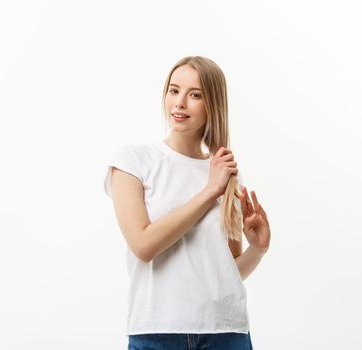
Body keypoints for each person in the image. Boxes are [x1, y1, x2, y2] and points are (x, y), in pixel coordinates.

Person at [103, 56, 271, 350]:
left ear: (212, 105)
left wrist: (258, 249)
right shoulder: (133, 161)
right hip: (157, 333)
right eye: (174, 90)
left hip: (227, 333)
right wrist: (209, 191)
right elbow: (143, 245)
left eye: (195, 95)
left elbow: (226, 271)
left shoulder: (227, 174)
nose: (180, 102)